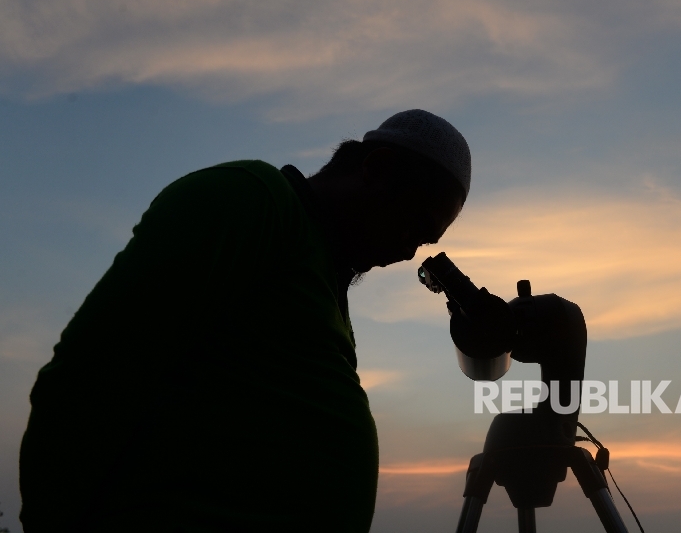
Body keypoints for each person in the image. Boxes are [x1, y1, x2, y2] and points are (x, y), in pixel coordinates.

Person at [19, 109, 471, 532]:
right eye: (414, 226)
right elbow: (88, 377)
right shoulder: (248, 198)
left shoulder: (320, 269)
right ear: (379, 169)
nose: (409, 252)